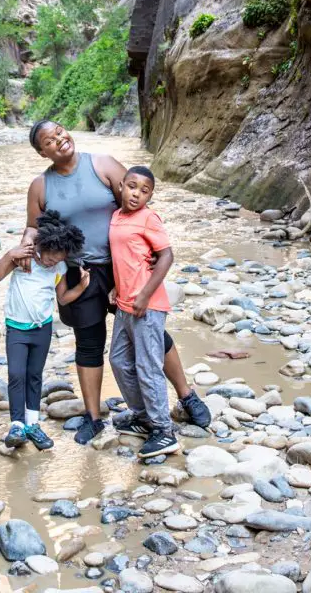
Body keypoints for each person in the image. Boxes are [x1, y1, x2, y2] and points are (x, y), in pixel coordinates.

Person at [23, 119, 211, 446]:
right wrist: (23, 250)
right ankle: (94, 418)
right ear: (43, 153)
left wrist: (151, 251)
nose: (59, 140)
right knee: (89, 343)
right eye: (49, 141)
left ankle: (186, 395)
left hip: (121, 267)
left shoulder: (103, 165)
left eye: (59, 132)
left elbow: (138, 203)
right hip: (76, 272)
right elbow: (33, 228)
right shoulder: (41, 186)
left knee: (151, 332)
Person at [0, 209, 90, 451]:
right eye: (51, 256)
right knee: (15, 374)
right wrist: (9, 255)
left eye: (58, 259)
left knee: (34, 375)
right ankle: (16, 425)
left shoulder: (59, 267)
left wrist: (83, 286)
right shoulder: (23, 257)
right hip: (17, 328)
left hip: (42, 329)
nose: (52, 261)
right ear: (42, 245)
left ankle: (33, 424)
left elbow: (63, 298)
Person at [109, 165, 180, 458]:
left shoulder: (148, 218)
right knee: (118, 360)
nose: (137, 194)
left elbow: (166, 255)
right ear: (122, 186)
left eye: (145, 190)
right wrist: (116, 287)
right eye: (132, 186)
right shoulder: (116, 216)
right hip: (124, 303)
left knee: (148, 367)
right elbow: (125, 257)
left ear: (150, 195)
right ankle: (142, 417)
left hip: (147, 306)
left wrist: (145, 294)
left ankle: (164, 431)